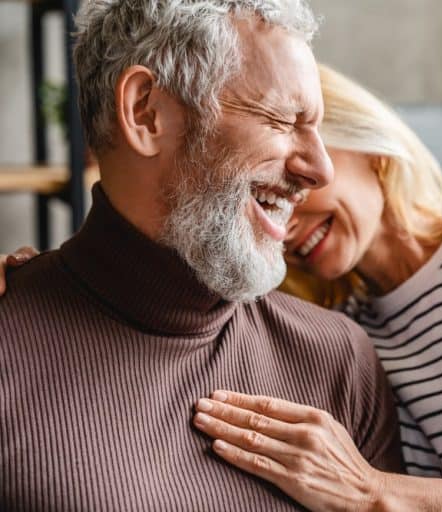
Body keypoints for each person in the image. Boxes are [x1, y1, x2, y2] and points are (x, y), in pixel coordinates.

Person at [1, 66, 442, 511]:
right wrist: (52, 283)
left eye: (303, 156)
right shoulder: (342, 325)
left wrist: (380, 496)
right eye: (267, 197)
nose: (287, 212)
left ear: (360, 145)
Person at [0, 2, 402, 511]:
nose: (320, 169)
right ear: (146, 112)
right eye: (283, 120)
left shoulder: (337, 359)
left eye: (316, 128)